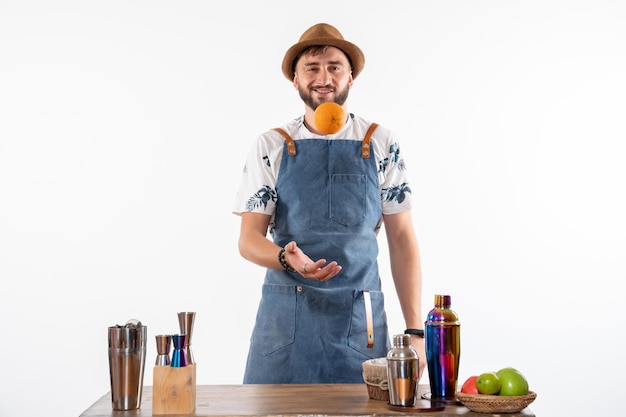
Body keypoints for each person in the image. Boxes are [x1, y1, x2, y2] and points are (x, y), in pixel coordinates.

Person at [232, 22, 425, 384]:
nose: (324, 77)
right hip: (284, 320)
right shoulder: (271, 145)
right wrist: (284, 258)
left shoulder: (381, 142)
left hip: (360, 322)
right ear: (295, 80)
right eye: (312, 68)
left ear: (351, 77)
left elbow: (402, 240)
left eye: (335, 67)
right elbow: (248, 239)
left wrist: (416, 329)